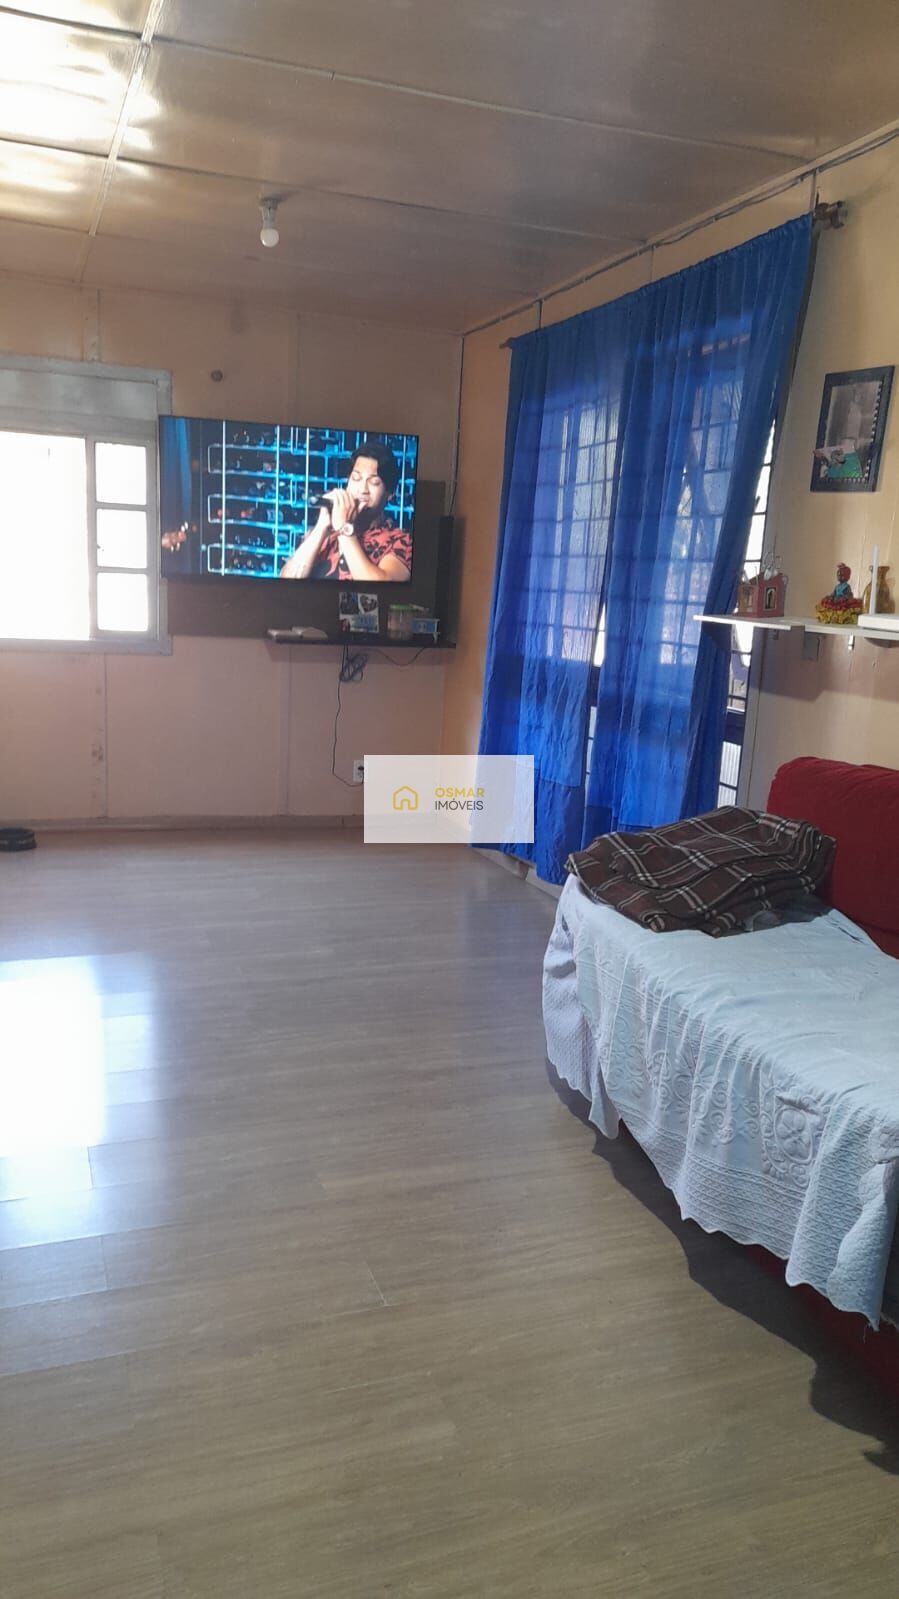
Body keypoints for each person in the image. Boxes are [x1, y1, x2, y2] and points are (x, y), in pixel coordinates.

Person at [280, 442, 411, 581]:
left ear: (390, 492)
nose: (362, 489)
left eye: (374, 482)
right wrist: (322, 526)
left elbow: (382, 586)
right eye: (356, 478)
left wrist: (345, 528)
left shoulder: (400, 541)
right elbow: (287, 579)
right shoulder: (326, 534)